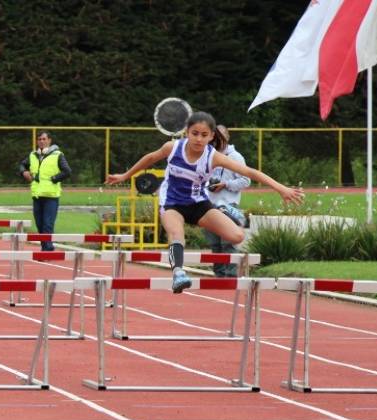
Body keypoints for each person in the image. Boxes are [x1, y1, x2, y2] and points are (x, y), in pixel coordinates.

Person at [106, 111, 304, 293]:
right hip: (172, 202)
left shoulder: (213, 157)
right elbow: (150, 158)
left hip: (198, 203)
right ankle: (178, 274)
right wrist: (125, 175)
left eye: (204, 135)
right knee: (176, 234)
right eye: (195, 133)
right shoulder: (173, 147)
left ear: (211, 136)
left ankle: (223, 208)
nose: (198, 139)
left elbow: (250, 172)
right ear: (187, 133)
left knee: (237, 236)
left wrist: (281, 188)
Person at [204, 125, 251, 278]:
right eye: (215, 136)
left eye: (221, 136)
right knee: (214, 244)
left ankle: (230, 277)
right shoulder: (207, 156)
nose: (218, 140)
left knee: (227, 243)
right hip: (209, 206)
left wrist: (226, 185)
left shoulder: (235, 157)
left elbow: (246, 180)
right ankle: (219, 275)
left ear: (227, 137)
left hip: (228, 205)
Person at [19, 130, 71, 251]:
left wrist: (54, 179)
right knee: (39, 224)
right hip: (37, 195)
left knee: (47, 224)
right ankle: (48, 247)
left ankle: (46, 250)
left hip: (51, 196)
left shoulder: (57, 155)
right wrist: (24, 172)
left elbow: (67, 171)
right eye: (39, 139)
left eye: (44, 139)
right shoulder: (33, 155)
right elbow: (22, 165)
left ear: (49, 140)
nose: (41, 141)